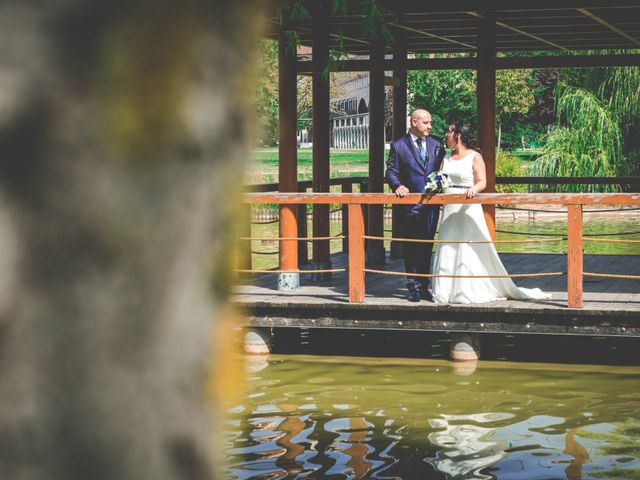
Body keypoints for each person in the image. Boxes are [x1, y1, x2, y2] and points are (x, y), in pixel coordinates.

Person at [430, 121, 551, 304]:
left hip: (468, 205)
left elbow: (482, 181)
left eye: (449, 132)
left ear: (458, 135)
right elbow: (441, 177)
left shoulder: (474, 156)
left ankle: (468, 289)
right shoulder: (446, 157)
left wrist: (473, 190)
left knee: (468, 245)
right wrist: (436, 185)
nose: (446, 136)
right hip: (449, 206)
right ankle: (445, 290)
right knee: (448, 244)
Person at [385, 109, 446, 302]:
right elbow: (391, 171)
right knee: (411, 246)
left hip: (431, 204)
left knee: (427, 245)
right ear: (414, 122)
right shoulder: (398, 145)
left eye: (430, 123)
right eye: (426, 123)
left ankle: (425, 285)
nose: (430, 126)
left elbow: (442, 169)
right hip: (409, 205)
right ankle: (413, 286)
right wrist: (397, 185)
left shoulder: (437, 143)